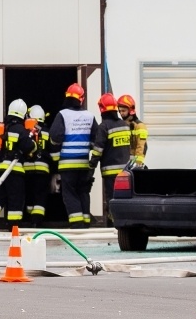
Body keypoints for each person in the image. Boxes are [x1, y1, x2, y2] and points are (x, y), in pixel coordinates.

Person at [0, 99, 37, 230]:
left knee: (0, 196)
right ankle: (13, 226)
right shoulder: (20, 129)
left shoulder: (1, 128)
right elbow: (29, 147)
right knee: (16, 197)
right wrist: (33, 140)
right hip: (13, 170)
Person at [49, 83, 100, 229]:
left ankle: (76, 222)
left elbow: (55, 136)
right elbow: (97, 138)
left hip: (67, 164)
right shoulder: (90, 116)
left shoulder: (62, 114)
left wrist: (56, 144)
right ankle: (85, 220)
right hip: (84, 163)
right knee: (83, 191)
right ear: (81, 99)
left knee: (69, 192)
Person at [91, 93, 131, 227]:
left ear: (102, 109)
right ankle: (124, 222)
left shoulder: (104, 126)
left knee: (111, 198)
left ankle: (113, 223)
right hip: (125, 171)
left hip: (110, 172)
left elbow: (98, 150)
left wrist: (91, 166)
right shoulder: (124, 125)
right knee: (124, 197)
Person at [23, 104, 52, 228]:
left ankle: (29, 218)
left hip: (27, 169)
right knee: (40, 195)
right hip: (43, 169)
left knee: (28, 193)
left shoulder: (25, 131)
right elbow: (52, 151)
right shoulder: (47, 132)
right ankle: (37, 221)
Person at [117, 94, 148, 168]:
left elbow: (141, 147)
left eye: (123, 111)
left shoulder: (140, 126)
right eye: (120, 111)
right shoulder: (122, 125)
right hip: (123, 163)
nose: (121, 113)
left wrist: (137, 163)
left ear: (131, 110)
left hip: (134, 165)